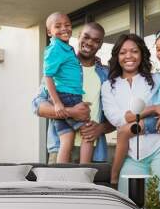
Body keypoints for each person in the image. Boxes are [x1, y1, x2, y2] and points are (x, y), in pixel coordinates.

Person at [101, 33, 160, 199]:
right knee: (130, 206)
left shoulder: (157, 78)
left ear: (142, 54)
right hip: (132, 156)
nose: (129, 56)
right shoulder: (108, 86)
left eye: (134, 51)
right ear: (117, 56)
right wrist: (155, 109)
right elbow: (118, 119)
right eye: (123, 52)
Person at [32, 22, 114, 164]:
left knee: (88, 186)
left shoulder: (106, 75)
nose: (89, 43)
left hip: (94, 152)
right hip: (60, 149)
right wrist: (71, 112)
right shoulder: (61, 67)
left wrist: (100, 128)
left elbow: (115, 118)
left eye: (96, 41)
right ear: (78, 36)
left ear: (101, 45)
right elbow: (37, 106)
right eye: (86, 37)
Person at [43, 12, 95, 163]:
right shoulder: (55, 49)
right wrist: (58, 102)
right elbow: (48, 76)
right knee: (88, 131)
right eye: (57, 26)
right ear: (49, 32)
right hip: (67, 96)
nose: (64, 29)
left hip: (67, 96)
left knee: (67, 138)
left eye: (67, 25)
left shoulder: (65, 48)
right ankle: (84, 171)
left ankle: (61, 175)